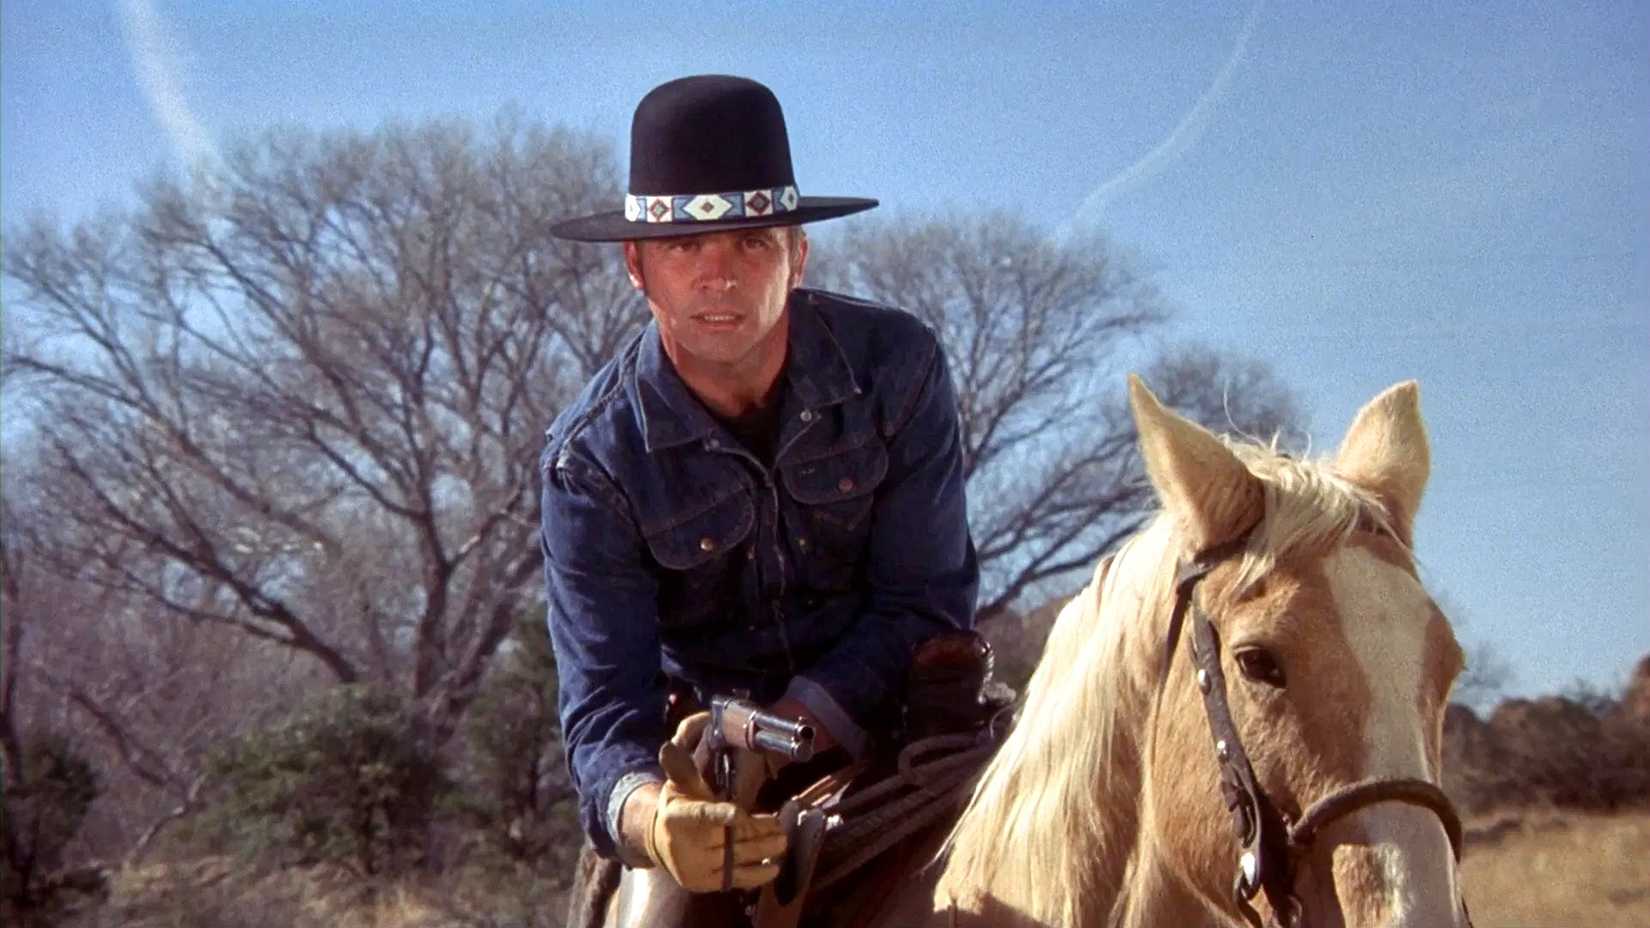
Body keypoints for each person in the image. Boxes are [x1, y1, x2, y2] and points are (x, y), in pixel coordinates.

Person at [541, 74, 979, 897]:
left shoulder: (897, 365)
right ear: (637, 266)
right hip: (703, 779)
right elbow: (604, 715)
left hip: (907, 728)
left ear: (797, 255)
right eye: (685, 249)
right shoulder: (591, 461)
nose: (721, 277)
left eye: (751, 243)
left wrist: (791, 730)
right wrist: (654, 817)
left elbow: (924, 601)